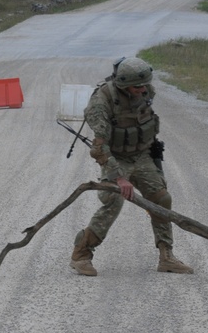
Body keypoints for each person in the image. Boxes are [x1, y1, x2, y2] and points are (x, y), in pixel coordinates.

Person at [71, 56, 193, 276]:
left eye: (145, 84)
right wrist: (119, 177)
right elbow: (99, 148)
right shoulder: (102, 102)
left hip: (142, 156)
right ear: (124, 84)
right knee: (113, 200)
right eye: (137, 87)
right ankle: (81, 254)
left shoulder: (146, 91)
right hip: (116, 158)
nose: (142, 90)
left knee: (162, 199)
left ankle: (166, 256)